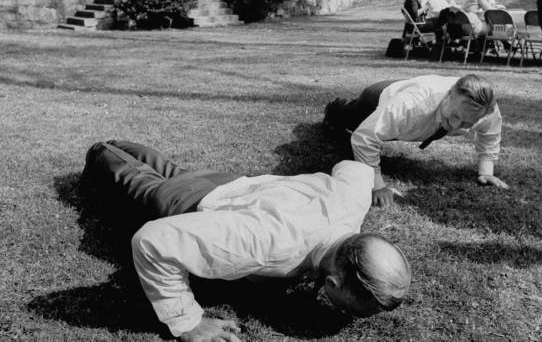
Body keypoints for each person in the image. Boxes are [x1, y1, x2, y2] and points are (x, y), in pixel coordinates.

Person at [81, 140, 412, 341]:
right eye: (346, 308)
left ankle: (120, 144)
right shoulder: (269, 245)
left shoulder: (353, 204)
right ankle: (102, 149)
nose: (342, 312)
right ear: (332, 282)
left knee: (170, 170)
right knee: (142, 183)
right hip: (191, 201)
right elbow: (153, 242)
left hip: (236, 187)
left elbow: (356, 169)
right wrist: (188, 322)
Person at [323, 74, 507, 207]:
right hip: (377, 98)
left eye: (467, 122)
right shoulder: (410, 105)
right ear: (449, 94)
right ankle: (334, 107)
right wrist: (377, 186)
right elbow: (364, 138)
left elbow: (490, 133)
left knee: (391, 128)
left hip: (407, 108)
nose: (455, 125)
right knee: (345, 118)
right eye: (455, 115)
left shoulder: (485, 110)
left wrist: (486, 171)